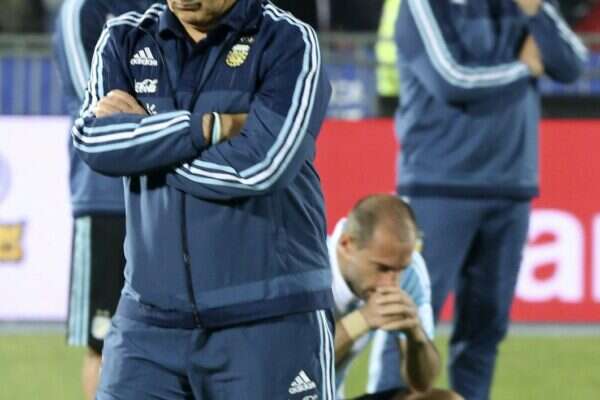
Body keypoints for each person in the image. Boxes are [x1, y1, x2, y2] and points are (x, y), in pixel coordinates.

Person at [71, 0, 335, 398]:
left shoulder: (287, 40)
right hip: (147, 328)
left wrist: (143, 141)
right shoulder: (125, 38)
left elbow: (262, 167)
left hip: (270, 320)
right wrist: (206, 129)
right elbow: (93, 142)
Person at [394, 1, 587, 399]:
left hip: (511, 188)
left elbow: (571, 65)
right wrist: (523, 68)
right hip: (439, 186)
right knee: (408, 325)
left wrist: (537, 11)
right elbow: (451, 79)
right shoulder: (423, 5)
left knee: (484, 333)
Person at [53, 1, 159, 398]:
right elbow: (95, 105)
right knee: (103, 342)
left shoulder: (155, 6)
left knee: (170, 336)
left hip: (159, 191)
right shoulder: (81, 11)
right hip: (104, 197)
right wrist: (161, 120)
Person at [331, 195, 462, 400]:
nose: (391, 283)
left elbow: (422, 384)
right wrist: (362, 319)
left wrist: (416, 335)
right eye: (382, 269)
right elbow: (295, 367)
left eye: (400, 269)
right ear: (346, 244)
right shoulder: (308, 269)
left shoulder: (410, 273)